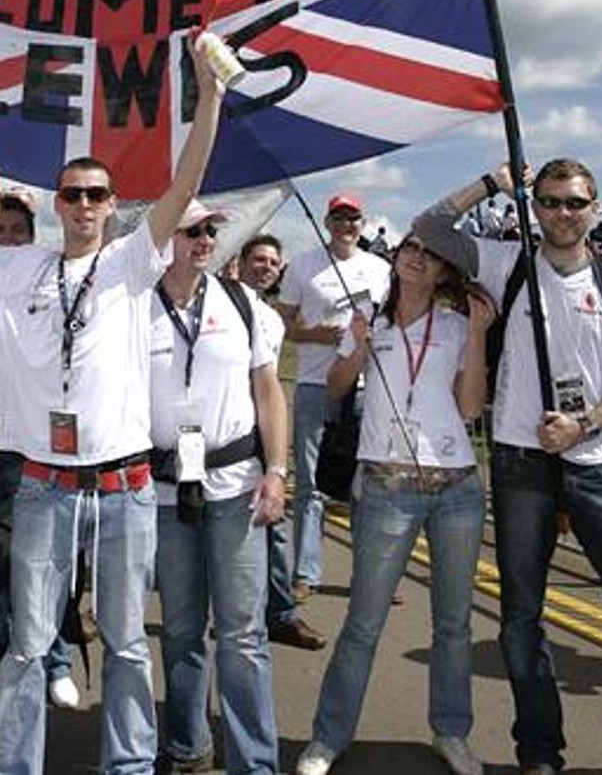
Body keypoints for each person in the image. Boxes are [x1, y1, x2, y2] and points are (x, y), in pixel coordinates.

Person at [0, 33, 225, 775]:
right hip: (45, 483)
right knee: (26, 640)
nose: (83, 205)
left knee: (122, 642)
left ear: (113, 208)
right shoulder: (18, 265)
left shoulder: (128, 262)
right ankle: (9, 765)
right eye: (71, 194)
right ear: (55, 205)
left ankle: (129, 765)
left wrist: (208, 97)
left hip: (124, 487)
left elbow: (184, 184)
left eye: (95, 195)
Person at [414, 161, 602, 775]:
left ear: (595, 207)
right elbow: (430, 226)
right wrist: (490, 183)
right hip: (521, 464)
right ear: (533, 206)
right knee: (521, 619)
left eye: (574, 203)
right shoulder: (505, 262)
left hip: (593, 461)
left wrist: (586, 423)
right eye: (548, 202)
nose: (562, 214)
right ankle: (539, 752)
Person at [295, 234, 493, 775]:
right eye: (410, 246)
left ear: (442, 272)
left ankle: (451, 732)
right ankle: (327, 738)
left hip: (455, 487)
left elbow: (471, 405)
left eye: (429, 253)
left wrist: (476, 334)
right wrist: (357, 346)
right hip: (386, 487)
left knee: (453, 624)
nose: (415, 255)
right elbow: (335, 388)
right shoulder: (371, 321)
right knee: (364, 620)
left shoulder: (454, 327)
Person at [148, 201, 290, 775]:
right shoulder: (134, 306)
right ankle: (187, 747)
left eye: (211, 229)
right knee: (180, 630)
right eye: (193, 230)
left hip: (236, 487)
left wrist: (277, 472)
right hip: (162, 490)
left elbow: (269, 394)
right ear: (166, 238)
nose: (206, 239)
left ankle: (254, 762)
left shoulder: (243, 304)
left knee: (242, 634)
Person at [0, 188, 81, 711]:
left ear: (34, 237)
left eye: (18, 232)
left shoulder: (53, 284)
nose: (7, 240)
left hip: (37, 439)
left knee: (46, 556)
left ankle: (56, 659)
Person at [276, 194, 392, 603]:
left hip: (364, 389)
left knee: (365, 485)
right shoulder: (304, 264)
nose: (347, 225)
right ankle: (306, 572)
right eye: (339, 218)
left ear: (363, 223)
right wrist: (314, 335)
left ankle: (373, 574)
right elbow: (283, 320)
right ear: (327, 222)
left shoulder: (380, 269)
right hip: (313, 384)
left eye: (354, 218)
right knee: (312, 483)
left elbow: (392, 321)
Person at [240, 234, 326, 652]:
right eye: (258, 259)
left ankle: (279, 614)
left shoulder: (272, 319)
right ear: (239, 262)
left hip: (263, 433)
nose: (266, 267)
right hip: (224, 436)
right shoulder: (218, 302)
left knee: (273, 523)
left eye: (273, 262)